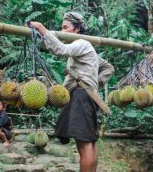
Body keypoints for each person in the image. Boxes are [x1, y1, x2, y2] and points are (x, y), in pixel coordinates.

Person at [28, 12, 114, 172]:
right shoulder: (86, 48)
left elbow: (60, 49)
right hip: (87, 95)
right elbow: (109, 67)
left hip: (81, 96)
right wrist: (95, 82)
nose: (63, 30)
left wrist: (40, 28)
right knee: (89, 142)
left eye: (65, 27)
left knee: (84, 145)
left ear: (77, 29)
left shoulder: (82, 43)